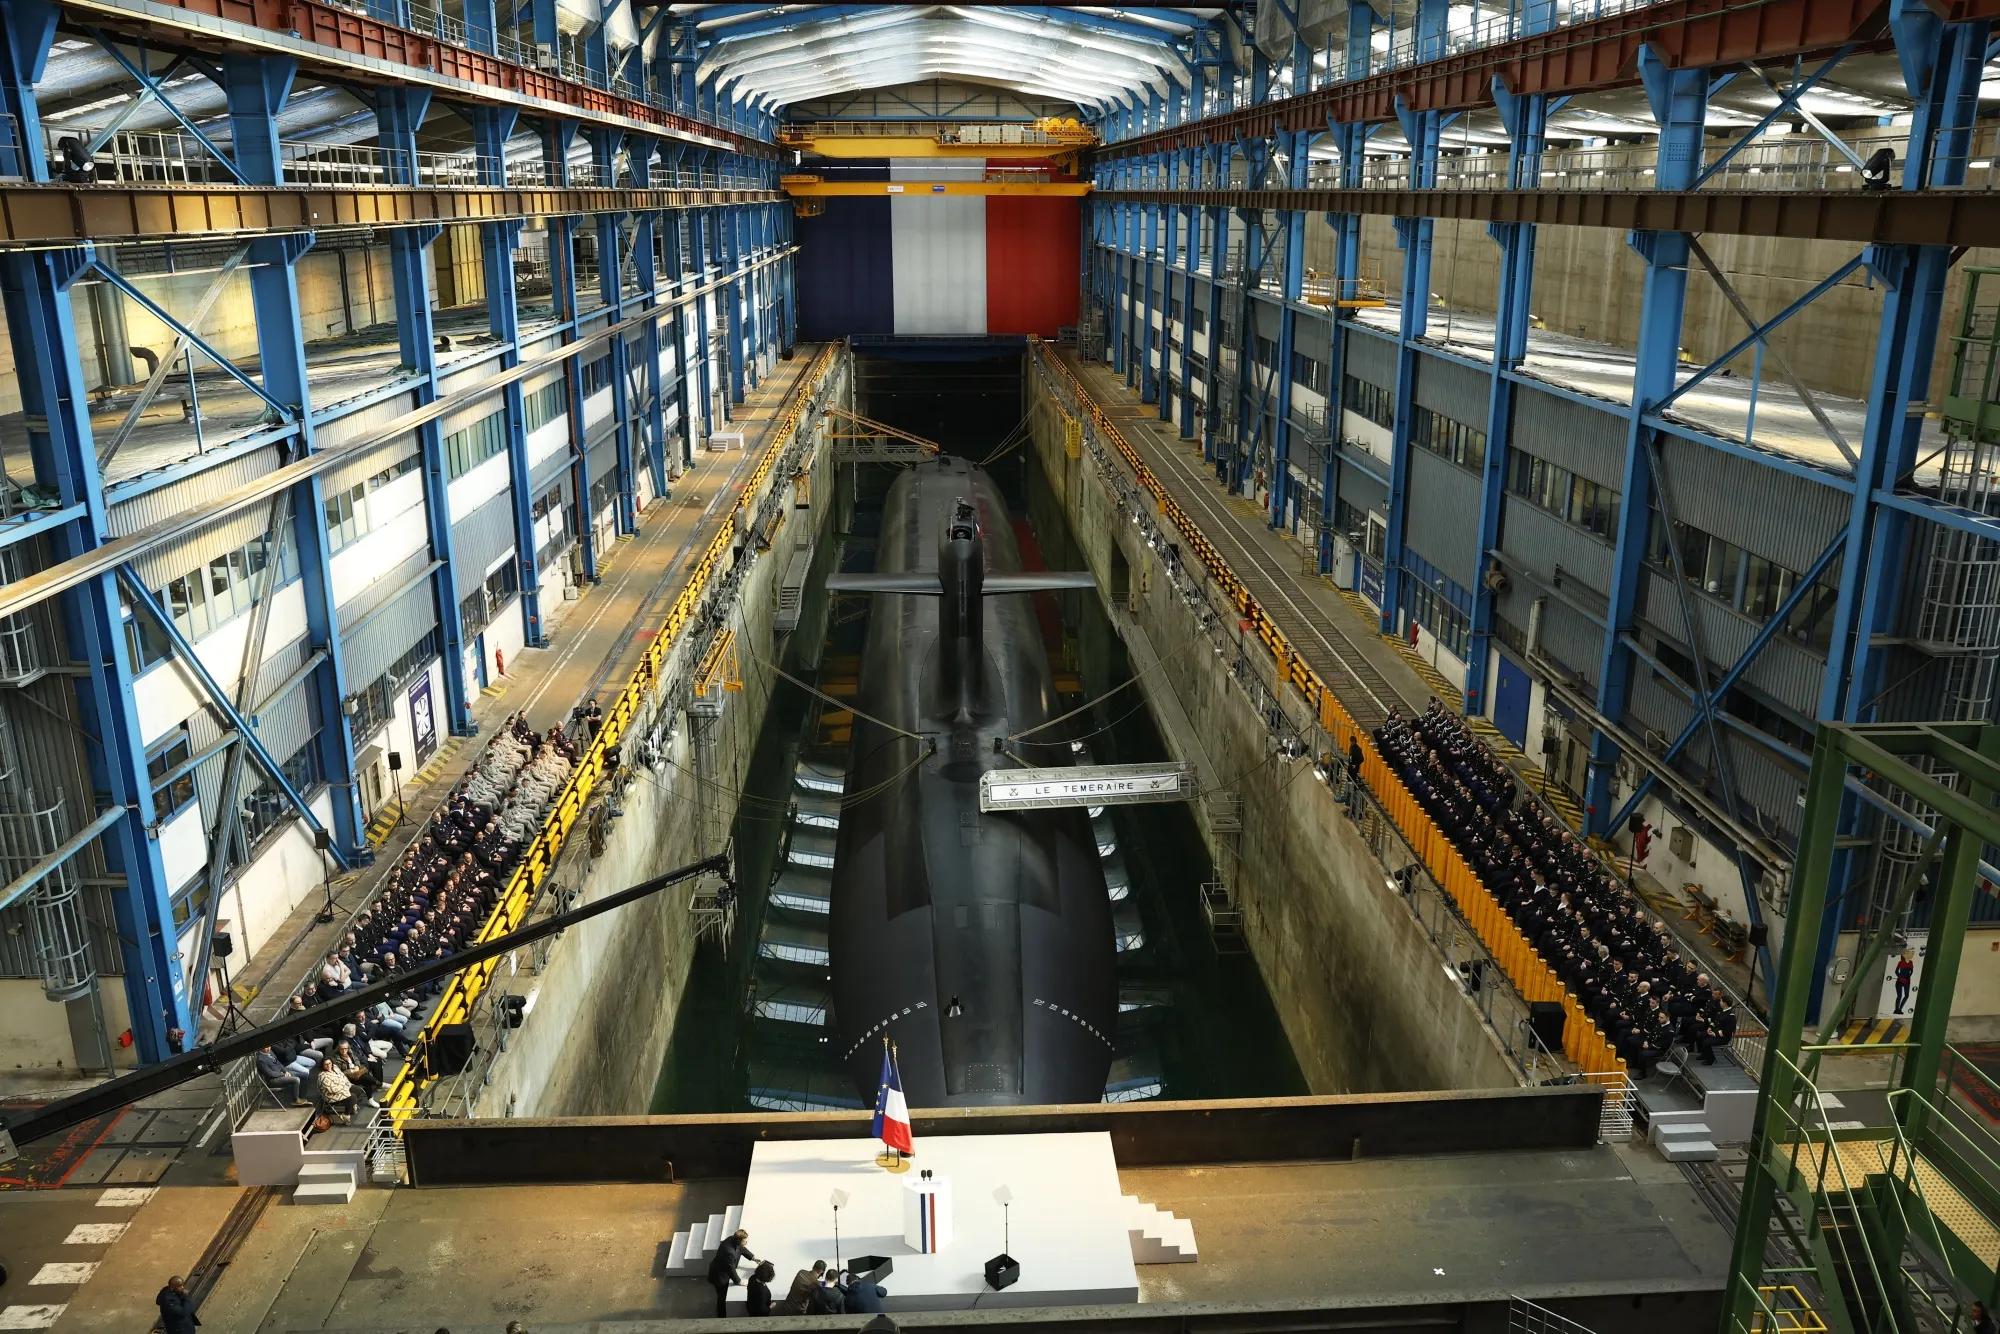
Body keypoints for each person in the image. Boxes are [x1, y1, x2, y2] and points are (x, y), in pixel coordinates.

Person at [707, 1228, 754, 1317]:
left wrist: (753, 1258)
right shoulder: (729, 1251)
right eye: (744, 1242)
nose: (746, 1243)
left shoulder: (733, 1240)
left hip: (722, 1270)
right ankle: (721, 1315)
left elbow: (742, 1249)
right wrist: (739, 1281)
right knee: (722, 1296)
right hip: (720, 1275)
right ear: (739, 1241)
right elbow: (730, 1268)